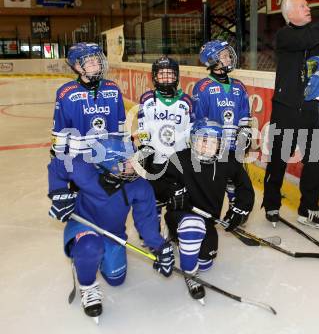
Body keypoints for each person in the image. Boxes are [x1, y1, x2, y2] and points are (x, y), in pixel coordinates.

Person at [47, 136, 174, 321]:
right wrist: (59, 193)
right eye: (126, 162)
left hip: (113, 234)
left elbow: (146, 222)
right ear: (106, 165)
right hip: (83, 224)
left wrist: (160, 246)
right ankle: (87, 283)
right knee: (90, 247)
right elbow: (57, 165)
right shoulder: (84, 169)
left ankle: (91, 257)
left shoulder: (140, 186)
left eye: (134, 158)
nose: (134, 165)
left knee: (116, 280)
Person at [261, 0, 319, 230]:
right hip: (286, 109)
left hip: (308, 110)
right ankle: (271, 203)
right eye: (303, 6)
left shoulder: (316, 40)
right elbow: (307, 39)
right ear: (290, 13)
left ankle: (308, 209)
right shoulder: (285, 35)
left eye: (307, 5)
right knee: (279, 158)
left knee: (315, 160)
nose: (308, 8)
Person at [146, 118, 254, 303]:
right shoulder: (180, 158)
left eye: (213, 141)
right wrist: (171, 191)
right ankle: (190, 274)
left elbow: (244, 186)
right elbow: (156, 182)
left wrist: (240, 209)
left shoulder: (226, 161)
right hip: (180, 214)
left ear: (220, 144)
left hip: (207, 219)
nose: (208, 146)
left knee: (205, 262)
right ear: (193, 140)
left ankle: (184, 242)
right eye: (203, 140)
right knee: (192, 227)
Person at [193, 40, 252, 212]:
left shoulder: (239, 86)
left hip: (233, 144)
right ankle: (210, 206)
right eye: (224, 56)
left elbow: (244, 115)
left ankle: (234, 205)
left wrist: (245, 132)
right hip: (213, 145)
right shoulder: (202, 87)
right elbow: (199, 119)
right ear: (212, 60)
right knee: (213, 178)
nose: (229, 59)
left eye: (228, 55)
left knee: (233, 178)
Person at [51, 42, 126, 157]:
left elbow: (121, 123)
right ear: (78, 67)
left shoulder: (113, 89)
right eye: (90, 61)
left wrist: (124, 147)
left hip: (110, 155)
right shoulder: (66, 93)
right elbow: (60, 128)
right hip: (80, 158)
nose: (96, 64)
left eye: (97, 59)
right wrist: (57, 153)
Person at [137, 56, 193, 165]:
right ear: (155, 77)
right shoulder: (146, 99)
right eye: (161, 74)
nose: (166, 78)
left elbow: (190, 130)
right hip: (155, 158)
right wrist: (146, 147)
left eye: (170, 74)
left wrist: (187, 152)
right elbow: (142, 128)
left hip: (179, 158)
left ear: (176, 76)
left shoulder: (186, 101)